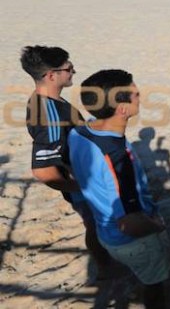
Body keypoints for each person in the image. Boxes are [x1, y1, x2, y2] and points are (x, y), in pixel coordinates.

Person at [69, 69, 170, 309]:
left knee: (143, 273)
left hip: (103, 228)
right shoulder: (117, 159)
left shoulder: (79, 132)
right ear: (122, 109)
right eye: (136, 94)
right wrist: (158, 225)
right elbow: (130, 223)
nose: (140, 96)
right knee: (156, 286)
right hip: (129, 239)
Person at [20, 46, 111, 278]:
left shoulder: (49, 101)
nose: (73, 72)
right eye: (69, 69)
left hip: (83, 175)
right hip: (82, 184)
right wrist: (82, 188)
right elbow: (44, 171)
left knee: (97, 224)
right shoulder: (48, 115)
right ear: (51, 75)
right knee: (95, 225)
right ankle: (105, 267)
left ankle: (105, 262)